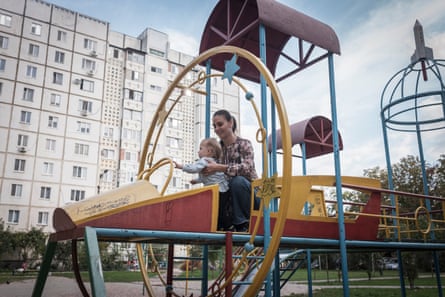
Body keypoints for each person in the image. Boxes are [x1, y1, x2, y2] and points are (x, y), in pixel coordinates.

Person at [203, 109, 259, 232]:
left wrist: (220, 168)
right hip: (231, 200)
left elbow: (247, 169)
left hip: (251, 196)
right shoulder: (217, 150)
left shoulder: (244, 144)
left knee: (237, 181)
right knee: (215, 188)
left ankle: (243, 223)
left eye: (220, 124)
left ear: (231, 123)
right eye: (214, 126)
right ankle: (220, 224)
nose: (217, 129)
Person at [173, 137, 232, 230]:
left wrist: (181, 166)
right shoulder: (214, 162)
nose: (198, 151)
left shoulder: (204, 160)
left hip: (218, 191)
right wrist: (196, 181)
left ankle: (225, 226)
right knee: (220, 210)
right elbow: (206, 178)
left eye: (201, 148)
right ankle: (223, 226)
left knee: (216, 210)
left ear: (209, 151)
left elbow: (193, 168)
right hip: (223, 189)